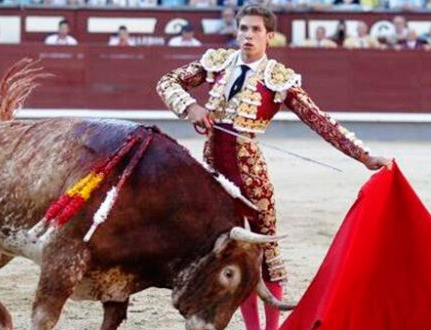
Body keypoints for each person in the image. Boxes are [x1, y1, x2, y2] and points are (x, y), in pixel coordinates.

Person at [156, 5, 391, 330]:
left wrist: (363, 156)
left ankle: (273, 328)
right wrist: (191, 106)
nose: (248, 35)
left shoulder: (277, 78)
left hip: (251, 176)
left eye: (255, 30)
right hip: (212, 176)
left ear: (269, 36)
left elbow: (320, 121)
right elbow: (167, 82)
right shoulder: (219, 62)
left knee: (265, 255)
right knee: (232, 256)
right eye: (244, 29)